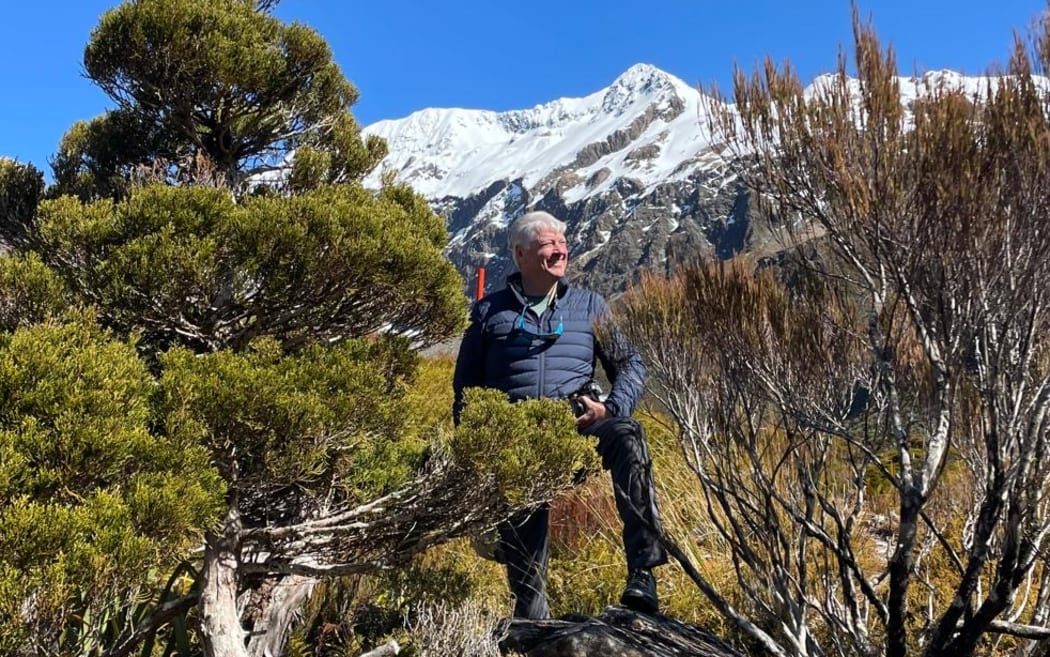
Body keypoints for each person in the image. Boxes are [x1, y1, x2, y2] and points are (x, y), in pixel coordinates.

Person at [453, 210, 667, 619]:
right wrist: (472, 459)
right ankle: (534, 626)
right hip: (515, 443)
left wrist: (611, 407)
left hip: (578, 428)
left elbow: (632, 364)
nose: (561, 250)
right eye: (549, 243)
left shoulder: (590, 306)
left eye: (562, 243)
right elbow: (465, 389)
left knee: (627, 434)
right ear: (521, 254)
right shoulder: (487, 313)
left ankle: (643, 571)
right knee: (527, 589)